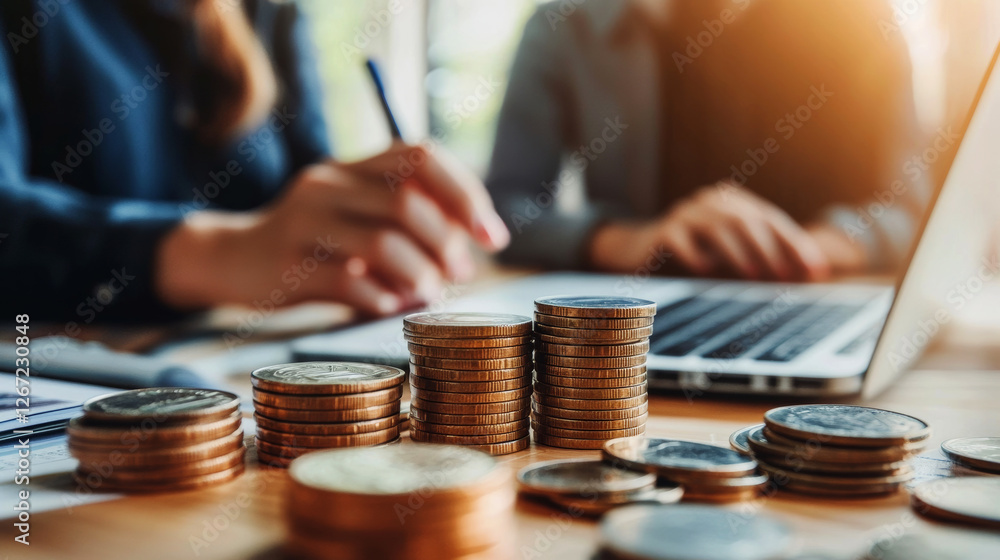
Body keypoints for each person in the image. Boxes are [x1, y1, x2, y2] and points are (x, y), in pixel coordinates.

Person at [0, 0, 509, 322]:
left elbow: (311, 182)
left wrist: (362, 220)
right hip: (59, 368)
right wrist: (218, 251)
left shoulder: (270, 12)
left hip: (246, 354)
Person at [487, 0, 928, 282]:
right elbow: (507, 209)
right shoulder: (567, 26)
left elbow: (913, 209)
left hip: (826, 304)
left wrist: (813, 247)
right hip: (645, 322)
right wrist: (631, 243)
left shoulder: (866, 24)